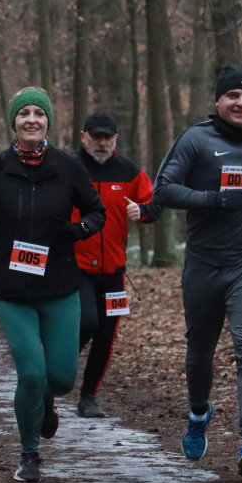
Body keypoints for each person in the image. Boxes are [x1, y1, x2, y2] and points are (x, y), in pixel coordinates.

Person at [0, 87, 106, 483]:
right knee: (29, 373)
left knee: (60, 379)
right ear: (13, 122)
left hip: (60, 287)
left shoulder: (67, 166)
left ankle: (47, 400)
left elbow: (98, 211)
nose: (31, 119)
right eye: (23, 113)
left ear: (48, 122)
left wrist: (77, 230)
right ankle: (29, 453)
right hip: (12, 293)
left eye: (38, 114)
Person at [153, 64, 242, 478]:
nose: (240, 102)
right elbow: (163, 190)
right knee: (199, 355)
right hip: (203, 265)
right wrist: (216, 199)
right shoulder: (197, 139)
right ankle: (199, 414)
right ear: (218, 101)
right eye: (232, 96)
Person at [71, 109, 162, 418]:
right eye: (95, 137)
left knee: (107, 335)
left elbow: (154, 201)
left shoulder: (128, 171)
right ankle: (57, 376)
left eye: (107, 137)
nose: (101, 143)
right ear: (83, 138)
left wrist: (144, 212)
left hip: (114, 273)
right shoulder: (69, 168)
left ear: (116, 140)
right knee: (86, 323)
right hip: (76, 269)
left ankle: (88, 397)